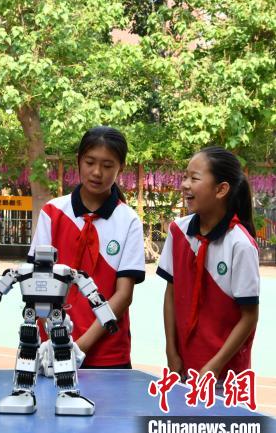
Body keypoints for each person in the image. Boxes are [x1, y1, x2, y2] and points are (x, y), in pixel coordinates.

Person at [28, 126, 144, 369]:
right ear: (78, 161)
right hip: (51, 349)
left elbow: (124, 295)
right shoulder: (53, 212)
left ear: (121, 168)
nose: (97, 172)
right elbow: (38, 282)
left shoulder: (128, 221)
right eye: (90, 162)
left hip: (108, 354)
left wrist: (80, 347)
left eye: (107, 165)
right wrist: (58, 342)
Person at [158, 146, 259, 379]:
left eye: (194, 178)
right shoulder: (178, 231)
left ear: (221, 189)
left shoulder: (240, 244)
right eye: (185, 177)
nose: (185, 185)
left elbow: (249, 316)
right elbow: (171, 294)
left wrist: (215, 366)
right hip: (182, 368)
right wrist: (171, 350)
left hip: (226, 376)